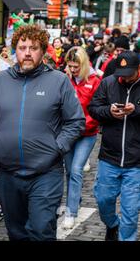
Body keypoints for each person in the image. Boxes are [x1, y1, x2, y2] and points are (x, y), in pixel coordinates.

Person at [0, 24, 85, 241]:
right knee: (15, 232)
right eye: (22, 47)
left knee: (41, 231)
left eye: (33, 47)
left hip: (45, 173)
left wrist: (57, 148)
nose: (27, 52)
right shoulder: (0, 81)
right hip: (7, 173)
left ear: (43, 51)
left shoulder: (59, 81)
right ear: (14, 50)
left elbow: (75, 121)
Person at [88, 51, 140, 241]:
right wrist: (108, 112)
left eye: (129, 73)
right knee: (103, 200)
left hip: (136, 162)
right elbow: (93, 108)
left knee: (131, 212)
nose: (124, 77)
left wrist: (135, 111)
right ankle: (112, 224)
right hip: (109, 157)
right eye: (121, 73)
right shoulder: (109, 82)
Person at [61, 47, 101, 229]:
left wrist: (85, 124)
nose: (73, 69)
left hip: (87, 133)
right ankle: (74, 199)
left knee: (77, 170)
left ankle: (71, 211)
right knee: (69, 171)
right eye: (70, 66)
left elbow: (98, 108)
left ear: (83, 64)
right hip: (69, 132)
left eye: (76, 66)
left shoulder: (94, 81)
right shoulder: (65, 78)